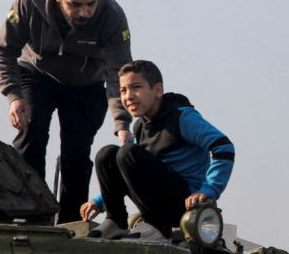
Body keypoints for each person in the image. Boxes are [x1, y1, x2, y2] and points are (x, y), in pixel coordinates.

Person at [0, 0, 134, 224]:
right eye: (76, 5)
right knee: (31, 134)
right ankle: (32, 214)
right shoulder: (28, 1)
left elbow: (119, 73)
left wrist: (122, 123)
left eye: (90, 4)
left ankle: (70, 223)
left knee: (76, 155)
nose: (85, 12)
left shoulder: (112, 16)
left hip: (87, 85)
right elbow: (3, 50)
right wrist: (14, 96)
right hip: (37, 74)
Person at [81, 61, 233, 241]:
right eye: (123, 90)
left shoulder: (182, 118)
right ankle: (116, 221)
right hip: (158, 199)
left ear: (158, 90)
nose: (128, 96)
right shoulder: (140, 127)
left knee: (128, 152)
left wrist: (209, 190)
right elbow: (130, 170)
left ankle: (157, 226)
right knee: (107, 154)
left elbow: (224, 147)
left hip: (185, 205)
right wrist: (99, 201)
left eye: (135, 87)